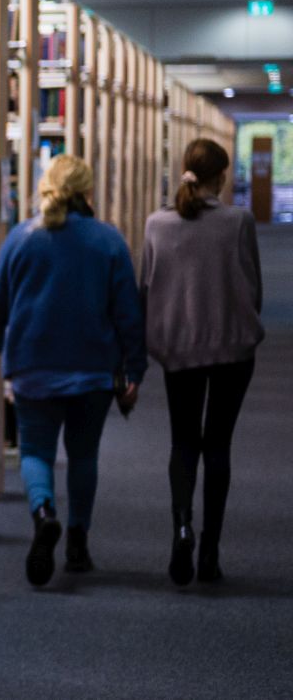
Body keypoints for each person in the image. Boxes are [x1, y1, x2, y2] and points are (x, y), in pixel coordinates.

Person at [0, 154, 144, 587]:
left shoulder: (20, 238)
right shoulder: (108, 241)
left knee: (35, 452)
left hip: (33, 367)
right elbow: (128, 313)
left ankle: (43, 513)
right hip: (93, 370)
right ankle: (77, 542)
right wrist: (134, 370)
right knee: (83, 455)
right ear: (88, 192)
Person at [143, 139, 263, 586]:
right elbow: (253, 287)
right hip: (232, 346)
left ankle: (181, 529)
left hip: (179, 348)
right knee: (218, 447)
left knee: (183, 443)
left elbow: (146, 287)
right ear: (222, 177)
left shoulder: (156, 225)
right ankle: (210, 548)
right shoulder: (239, 222)